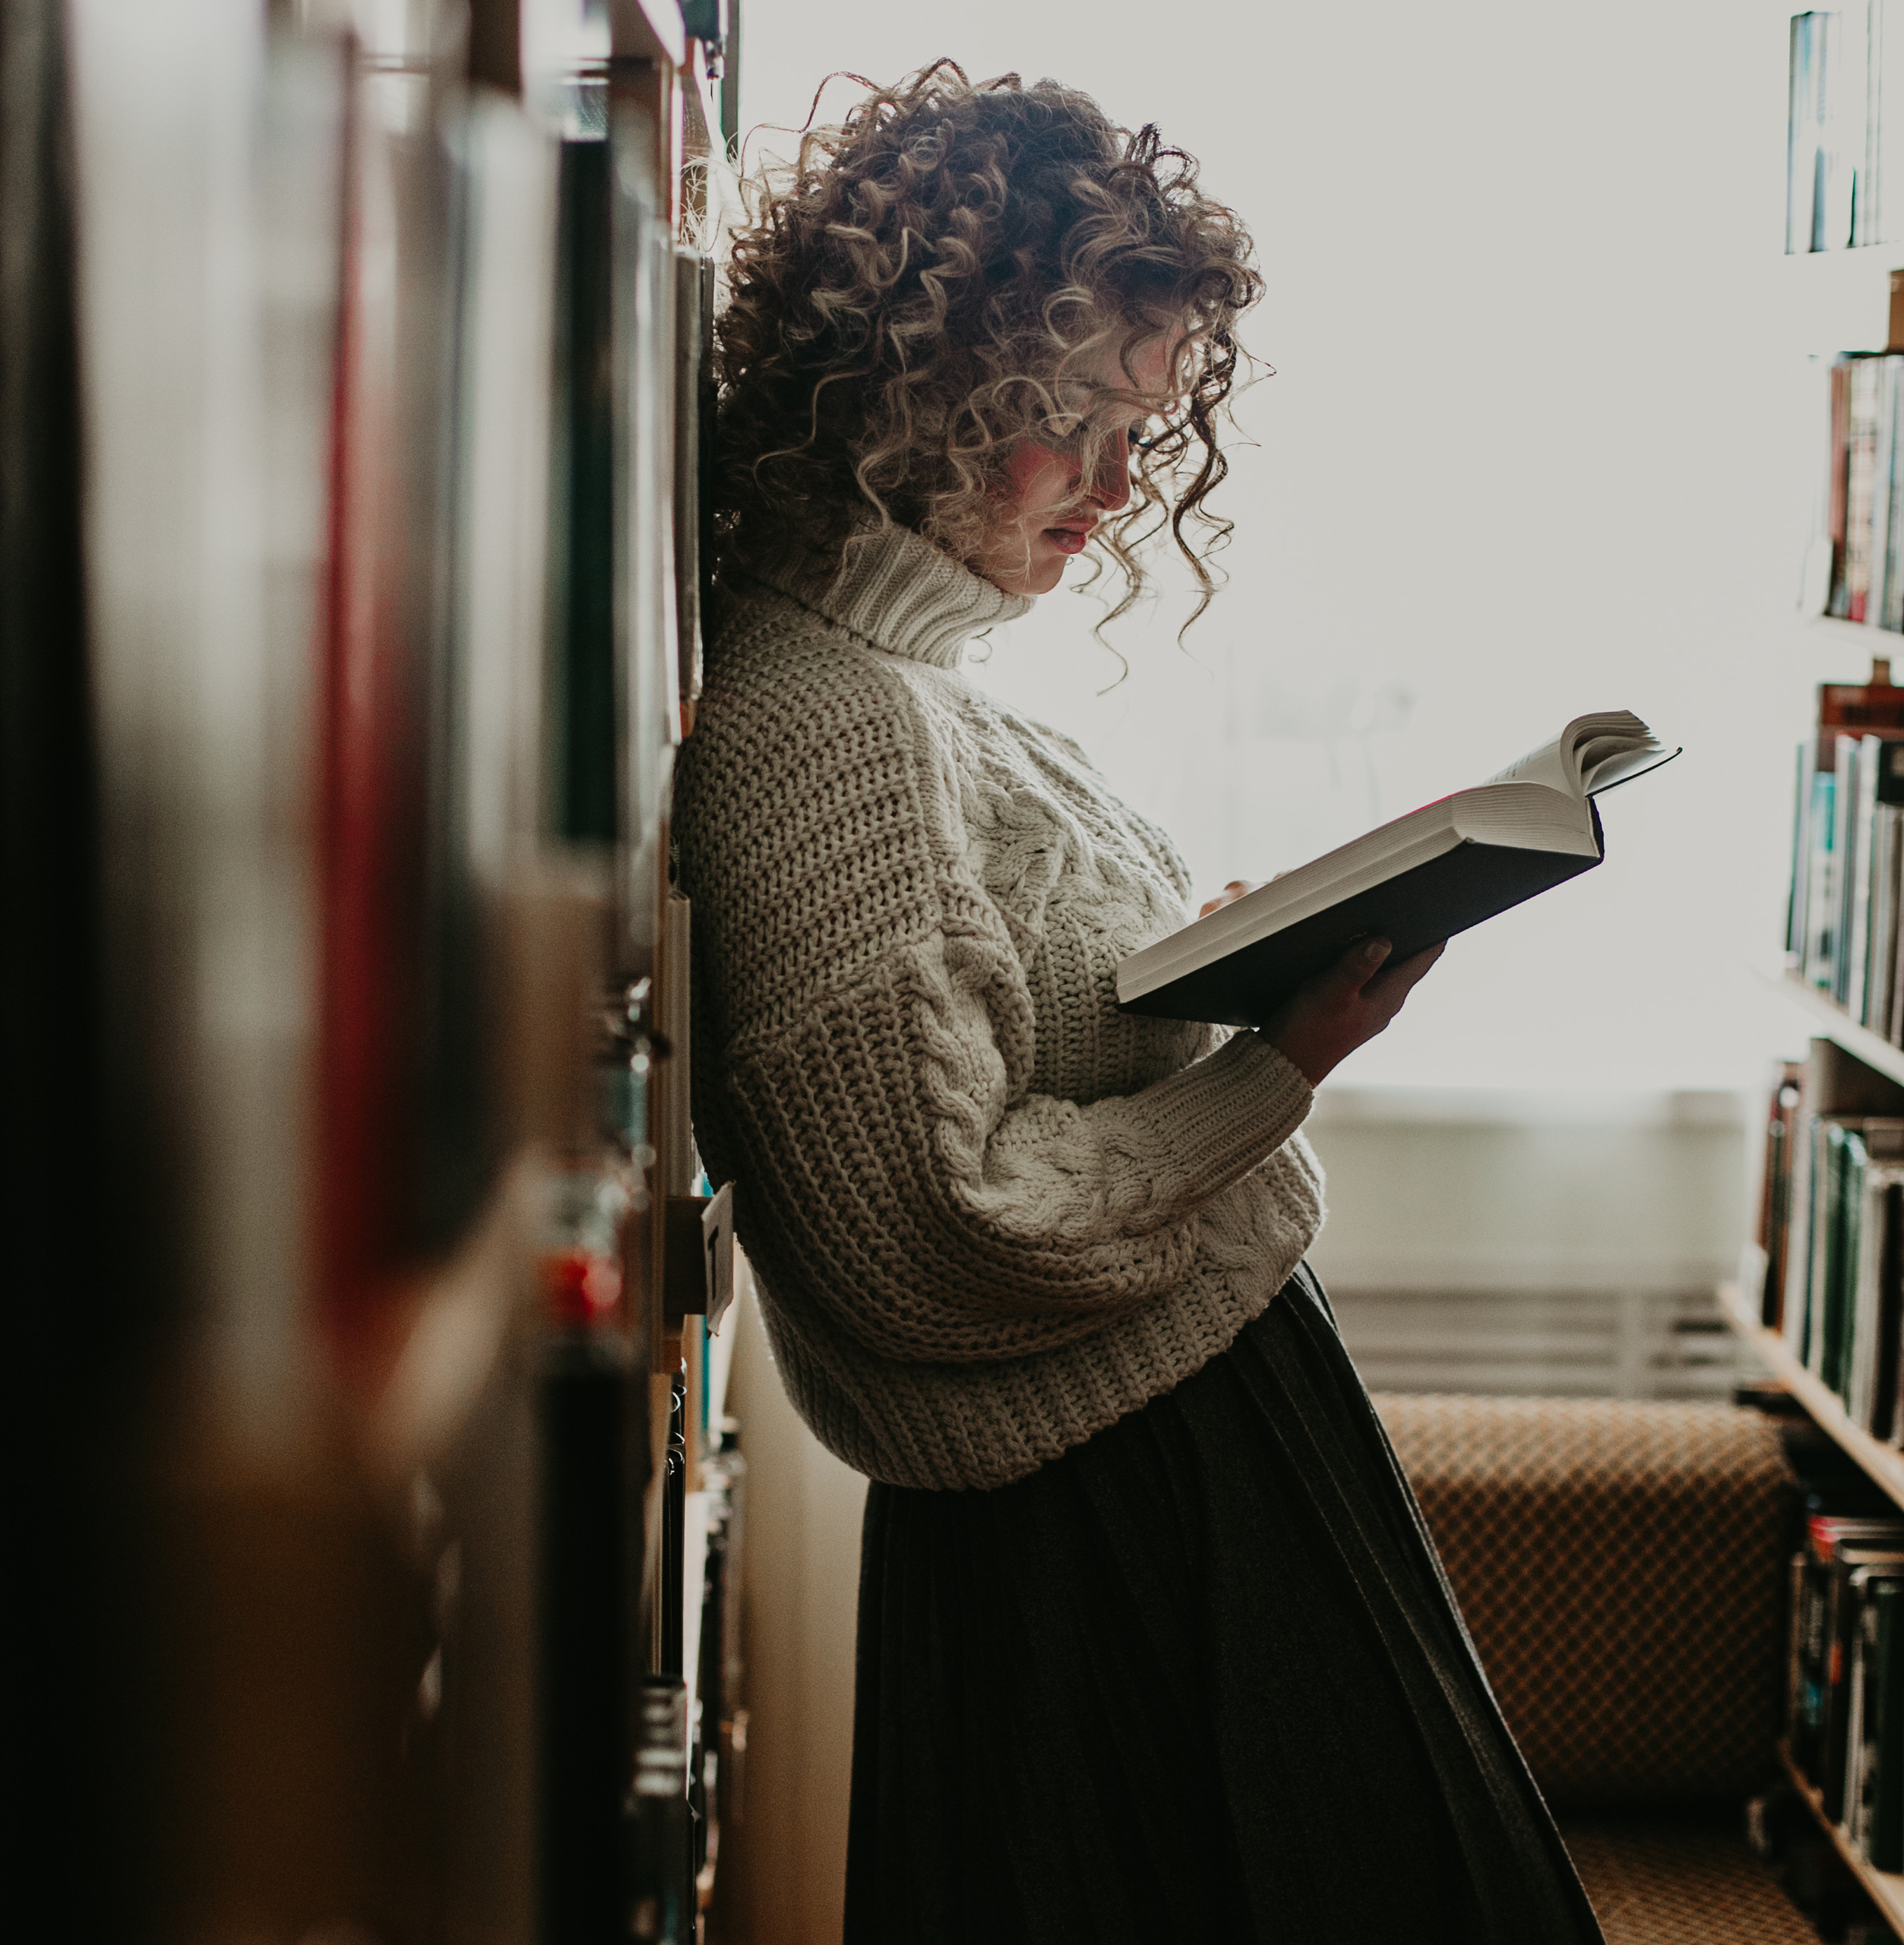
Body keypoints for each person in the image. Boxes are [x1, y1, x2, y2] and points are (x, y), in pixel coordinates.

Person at [675, 62, 1605, 1945]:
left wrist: (1204, 973)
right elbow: (925, 1227)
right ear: (923, 390)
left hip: (1179, 1454)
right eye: (1074, 426)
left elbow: (990, 1026)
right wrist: (1270, 1068)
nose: (1114, 491)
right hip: (1119, 1517)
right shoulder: (820, 726)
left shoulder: (914, 684)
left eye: (1141, 434)